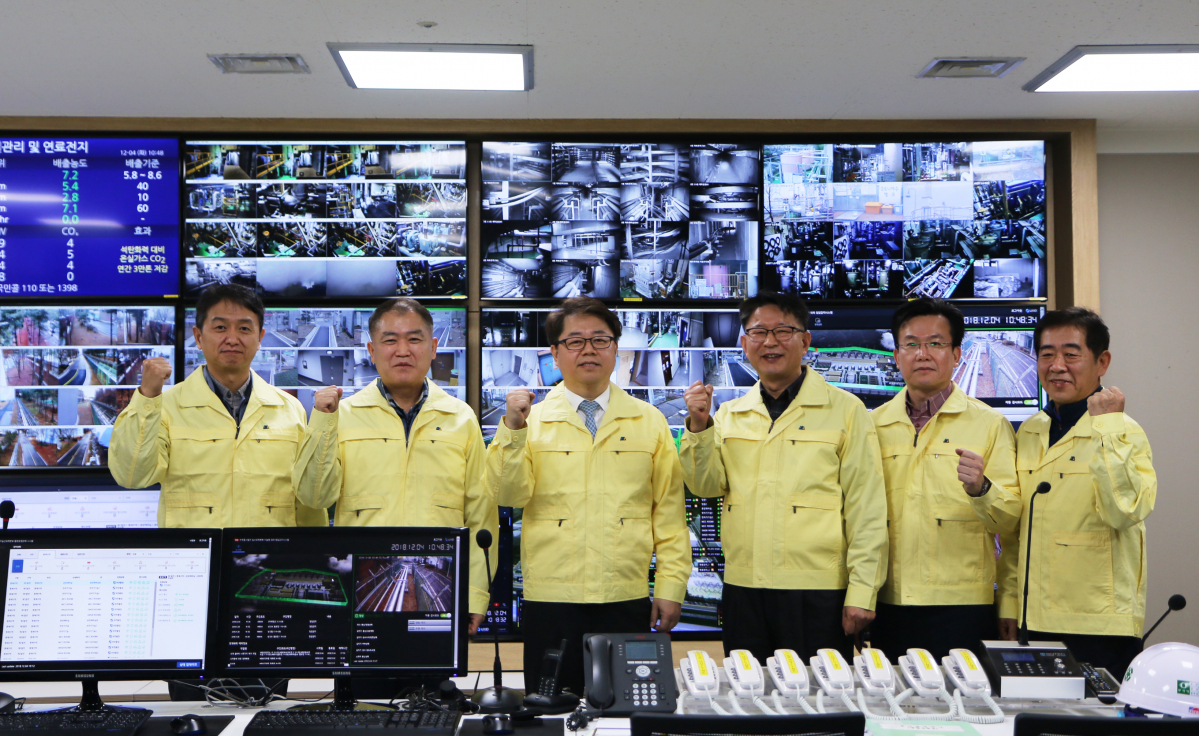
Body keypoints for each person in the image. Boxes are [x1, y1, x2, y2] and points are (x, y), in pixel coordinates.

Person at [486, 297, 691, 697]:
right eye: (575, 341)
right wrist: (511, 429)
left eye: (600, 339)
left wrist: (670, 587)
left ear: (616, 348)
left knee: (627, 711)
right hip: (551, 600)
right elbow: (507, 494)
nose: (589, 350)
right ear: (555, 354)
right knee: (550, 715)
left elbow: (668, 513)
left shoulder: (648, 421)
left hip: (625, 597)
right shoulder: (532, 421)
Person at [679, 292, 886, 664]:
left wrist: (862, 593)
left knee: (820, 698)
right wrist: (698, 427)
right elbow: (704, 486)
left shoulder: (846, 411)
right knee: (748, 701)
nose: (770, 342)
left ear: (805, 341)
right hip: (745, 589)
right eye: (758, 332)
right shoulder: (729, 414)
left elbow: (867, 510)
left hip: (818, 591)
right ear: (744, 344)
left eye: (782, 331)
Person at [964, 307, 1156, 676]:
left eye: (1071, 354)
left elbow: (1126, 509)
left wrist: (1107, 426)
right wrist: (1009, 602)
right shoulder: (1032, 430)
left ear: (1102, 362)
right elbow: (1018, 533)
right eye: (1047, 354)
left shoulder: (1124, 431)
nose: (1056, 365)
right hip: (1033, 619)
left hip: (1098, 623)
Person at [294, 298, 496, 634]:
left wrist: (475, 594)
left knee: (432, 686)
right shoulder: (341, 416)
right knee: (362, 687)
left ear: (433, 348)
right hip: (358, 592)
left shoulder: (461, 419)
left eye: (414, 340)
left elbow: (480, 514)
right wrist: (322, 423)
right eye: (390, 340)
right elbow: (314, 497)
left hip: (440, 598)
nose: (403, 350)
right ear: (372, 351)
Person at [871, 298, 1019, 659]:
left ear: (957, 355)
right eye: (911, 344)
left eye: (935, 344)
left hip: (963, 605)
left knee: (964, 706)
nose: (923, 354)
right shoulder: (872, 424)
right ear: (896, 355)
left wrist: (981, 489)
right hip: (890, 601)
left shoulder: (989, 424)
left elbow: (1011, 518)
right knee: (892, 709)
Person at [110, 284, 326, 528]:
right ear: (199, 337)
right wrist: (147, 397)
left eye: (244, 328)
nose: (232, 339)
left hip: (264, 561)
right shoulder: (166, 407)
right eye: (220, 327)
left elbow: (308, 507)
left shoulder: (290, 409)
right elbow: (132, 475)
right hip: (195, 558)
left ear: (259, 339)